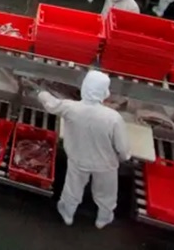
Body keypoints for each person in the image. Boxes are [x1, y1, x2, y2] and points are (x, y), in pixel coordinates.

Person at [38, 71, 130, 229]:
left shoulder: (71, 108)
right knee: (106, 193)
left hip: (78, 160)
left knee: (72, 189)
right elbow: (122, 146)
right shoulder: (113, 118)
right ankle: (103, 218)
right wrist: (124, 157)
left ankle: (67, 214)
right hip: (106, 164)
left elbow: (51, 104)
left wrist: (41, 92)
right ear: (104, 93)